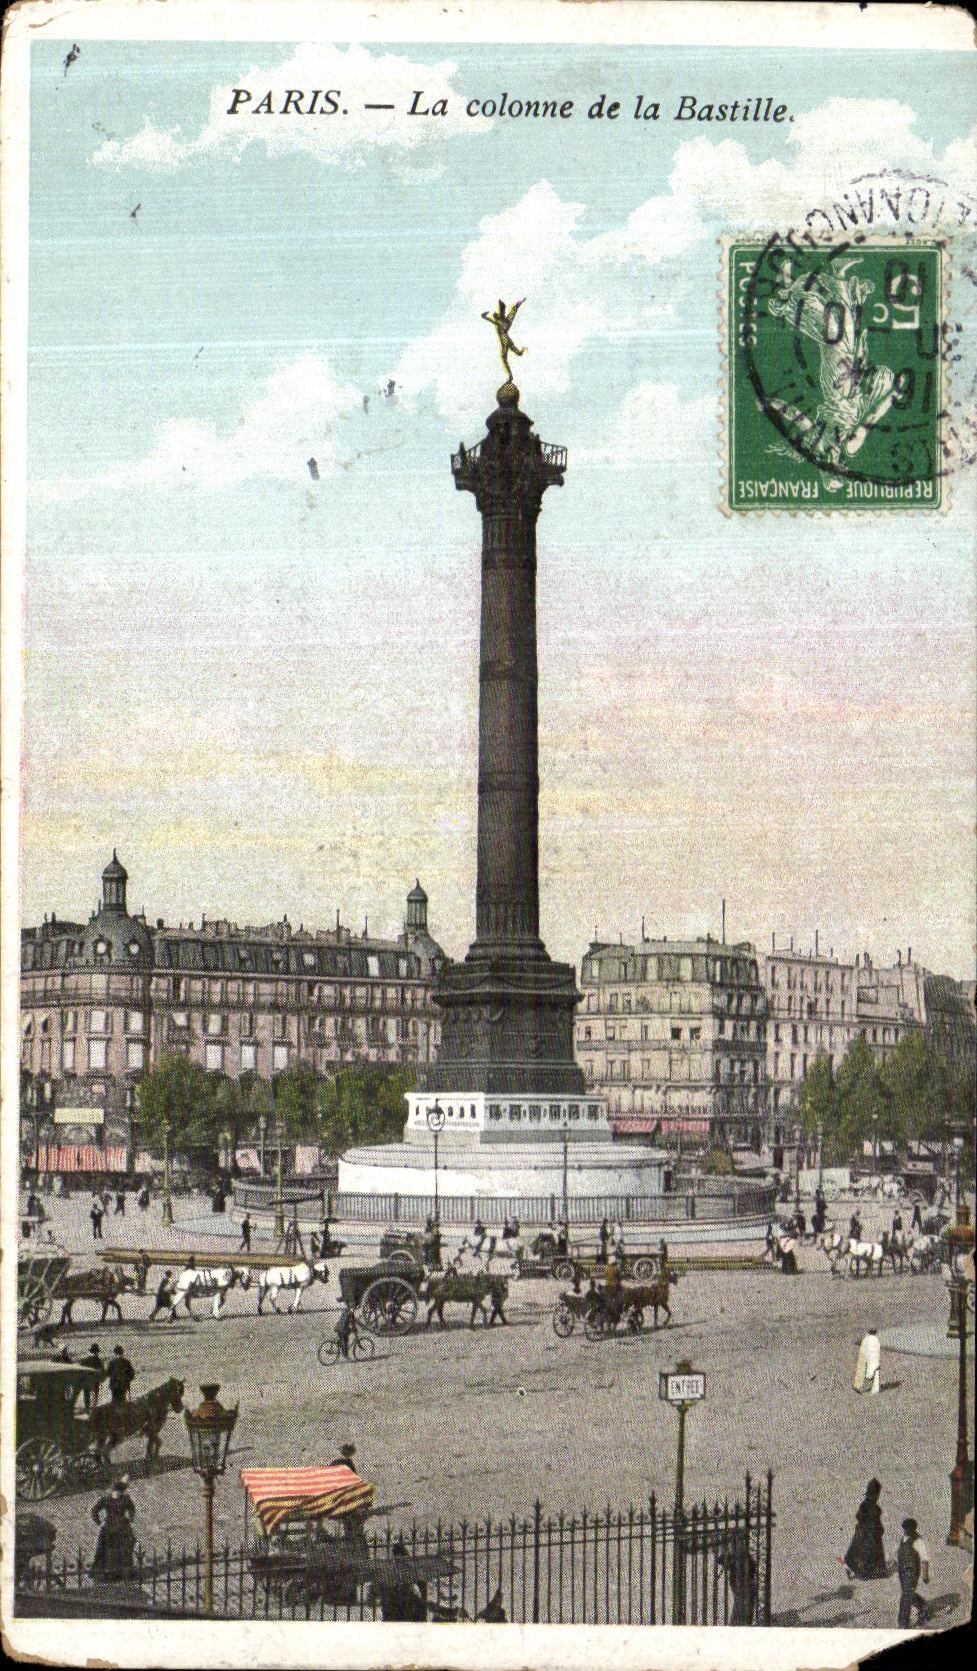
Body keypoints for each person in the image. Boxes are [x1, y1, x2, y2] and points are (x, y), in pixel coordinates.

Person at [91, 1477, 137, 1583]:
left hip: (122, 1528)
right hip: (108, 1528)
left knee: (124, 1551)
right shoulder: (105, 1499)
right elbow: (94, 1510)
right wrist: (99, 1522)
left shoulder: (125, 1499)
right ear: (112, 1490)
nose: (118, 1493)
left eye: (120, 1491)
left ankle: (124, 1573)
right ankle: (108, 1573)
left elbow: (131, 1508)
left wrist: (131, 1518)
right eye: (116, 1491)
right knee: (108, 1551)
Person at [843, 1479, 887, 1579]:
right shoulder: (867, 1506)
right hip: (867, 1532)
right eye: (875, 1494)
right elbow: (859, 1517)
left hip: (870, 1532)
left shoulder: (873, 1507)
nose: (876, 1497)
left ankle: (858, 1567)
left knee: (863, 1550)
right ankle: (862, 1570)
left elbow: (872, 1519)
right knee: (865, 1551)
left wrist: (878, 1528)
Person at [897, 1518, 930, 1627]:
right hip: (902, 1571)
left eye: (908, 1528)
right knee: (908, 1593)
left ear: (913, 1528)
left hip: (912, 1572)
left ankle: (903, 1623)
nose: (906, 1530)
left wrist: (925, 1575)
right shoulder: (903, 1538)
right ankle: (923, 1605)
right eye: (905, 1528)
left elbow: (924, 1559)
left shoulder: (918, 1541)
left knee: (906, 1596)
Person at [853, 1327, 882, 1396]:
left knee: (865, 1373)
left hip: (866, 1358)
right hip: (872, 1359)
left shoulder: (867, 1339)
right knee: (872, 1373)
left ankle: (860, 1386)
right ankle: (870, 1388)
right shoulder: (875, 1340)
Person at [81, 1342, 106, 1412]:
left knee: (87, 1396)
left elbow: (81, 1370)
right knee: (95, 1396)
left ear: (91, 1351)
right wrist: (102, 1379)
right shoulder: (99, 1360)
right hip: (95, 1381)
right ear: (97, 1352)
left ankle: (87, 1409)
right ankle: (94, 1409)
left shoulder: (85, 1360)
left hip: (87, 1381)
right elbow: (103, 1372)